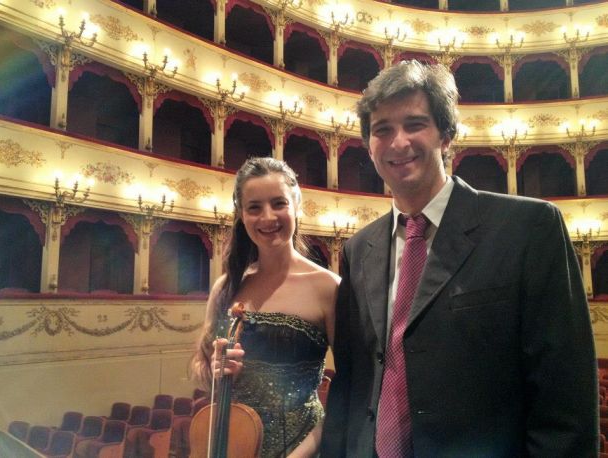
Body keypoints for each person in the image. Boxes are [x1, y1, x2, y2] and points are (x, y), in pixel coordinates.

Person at [320, 60, 599, 457]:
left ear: (446, 136)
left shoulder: (528, 229)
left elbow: (565, 395)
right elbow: (352, 379)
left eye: (415, 124)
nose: (398, 142)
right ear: (369, 145)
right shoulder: (359, 249)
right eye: (382, 129)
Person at [193, 157, 340, 457]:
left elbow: (351, 390)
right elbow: (202, 369)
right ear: (241, 215)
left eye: (279, 203)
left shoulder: (328, 287)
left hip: (302, 449)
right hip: (234, 445)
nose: (268, 217)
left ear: (297, 206)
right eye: (254, 207)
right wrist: (215, 369)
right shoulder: (226, 287)